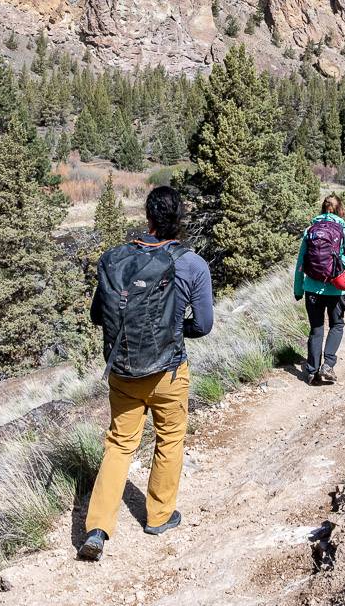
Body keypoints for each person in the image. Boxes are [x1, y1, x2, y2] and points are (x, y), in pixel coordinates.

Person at [77, 186, 214, 562]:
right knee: (169, 440)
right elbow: (203, 325)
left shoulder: (117, 259)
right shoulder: (192, 264)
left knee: (119, 445)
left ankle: (98, 528)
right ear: (180, 219)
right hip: (168, 372)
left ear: (149, 218)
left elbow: (96, 316)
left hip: (123, 371)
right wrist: (173, 330)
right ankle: (159, 515)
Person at [293, 195, 345, 385]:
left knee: (316, 328)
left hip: (312, 288)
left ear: (323, 209)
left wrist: (299, 289)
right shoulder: (343, 232)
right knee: (336, 325)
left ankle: (312, 372)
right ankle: (327, 365)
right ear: (340, 210)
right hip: (336, 289)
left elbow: (300, 263)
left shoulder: (310, 231)